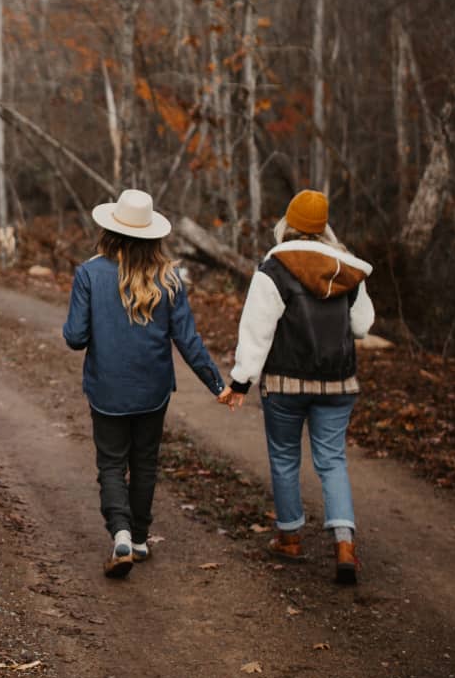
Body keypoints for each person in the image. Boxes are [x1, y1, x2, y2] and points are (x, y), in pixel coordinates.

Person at [63, 188, 226, 578]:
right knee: (145, 463)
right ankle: (138, 538)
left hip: (107, 388)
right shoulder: (168, 278)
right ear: (153, 235)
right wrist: (218, 384)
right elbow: (187, 339)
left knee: (112, 463)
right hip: (153, 389)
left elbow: (75, 337)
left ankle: (120, 534)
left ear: (110, 230)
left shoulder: (90, 273)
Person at [217, 189, 375, 585]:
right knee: (332, 460)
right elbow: (360, 327)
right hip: (338, 382)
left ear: (288, 224)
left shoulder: (275, 269)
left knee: (286, 458)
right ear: (323, 228)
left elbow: (257, 330)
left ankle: (290, 538)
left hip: (286, 383)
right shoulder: (348, 270)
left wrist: (240, 381)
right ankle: (344, 547)